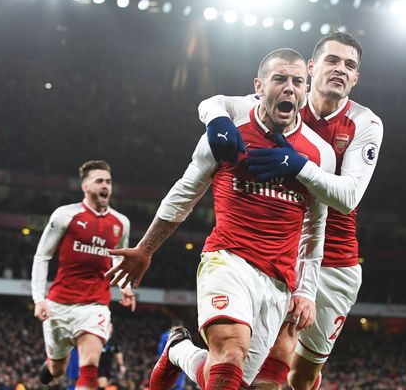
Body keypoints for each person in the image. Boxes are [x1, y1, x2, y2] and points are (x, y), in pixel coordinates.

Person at [106, 47, 335, 390]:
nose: (289, 88)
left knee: (234, 380)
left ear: (306, 91)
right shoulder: (230, 131)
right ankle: (185, 351)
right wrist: (145, 249)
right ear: (259, 86)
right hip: (228, 260)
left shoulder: (319, 153)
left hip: (279, 280)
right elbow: (185, 193)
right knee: (230, 353)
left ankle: (179, 351)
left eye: (298, 82)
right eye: (280, 79)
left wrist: (305, 289)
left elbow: (315, 229)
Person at [197, 31, 383, 390]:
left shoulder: (365, 123)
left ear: (356, 77)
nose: (340, 69)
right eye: (332, 60)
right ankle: (189, 358)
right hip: (277, 253)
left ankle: (183, 356)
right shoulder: (284, 95)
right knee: (257, 365)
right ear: (312, 67)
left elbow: (349, 197)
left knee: (302, 377)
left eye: (350, 65)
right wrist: (214, 118)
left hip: (336, 262)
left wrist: (298, 166)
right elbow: (214, 102)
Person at [31, 160, 136, 390]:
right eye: (99, 181)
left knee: (89, 364)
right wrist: (39, 298)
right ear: (85, 186)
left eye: (108, 181)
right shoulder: (65, 216)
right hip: (59, 304)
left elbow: (117, 256)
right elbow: (42, 256)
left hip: (95, 304)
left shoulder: (121, 223)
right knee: (58, 370)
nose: (105, 185)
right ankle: (50, 365)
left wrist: (125, 286)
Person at [157, 325, 186, 390]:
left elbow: (160, 351)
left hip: (171, 364)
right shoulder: (183, 335)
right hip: (174, 363)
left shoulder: (165, 335)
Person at [98, 323, 127, 388]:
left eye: (110, 327)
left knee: (106, 384)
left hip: (108, 366)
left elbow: (118, 352)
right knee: (102, 383)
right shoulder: (99, 338)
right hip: (99, 365)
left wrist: (121, 365)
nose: (109, 328)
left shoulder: (114, 340)